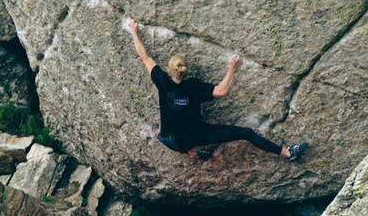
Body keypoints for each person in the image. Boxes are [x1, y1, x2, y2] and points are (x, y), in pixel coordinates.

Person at [128, 19, 307, 162]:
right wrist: (232, 69)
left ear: (169, 69)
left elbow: (145, 56)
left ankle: (193, 153)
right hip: (198, 135)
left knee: (164, 137)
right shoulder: (194, 86)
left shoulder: (161, 80)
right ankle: (287, 153)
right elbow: (221, 91)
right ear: (185, 70)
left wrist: (134, 32)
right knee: (246, 133)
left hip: (171, 139)